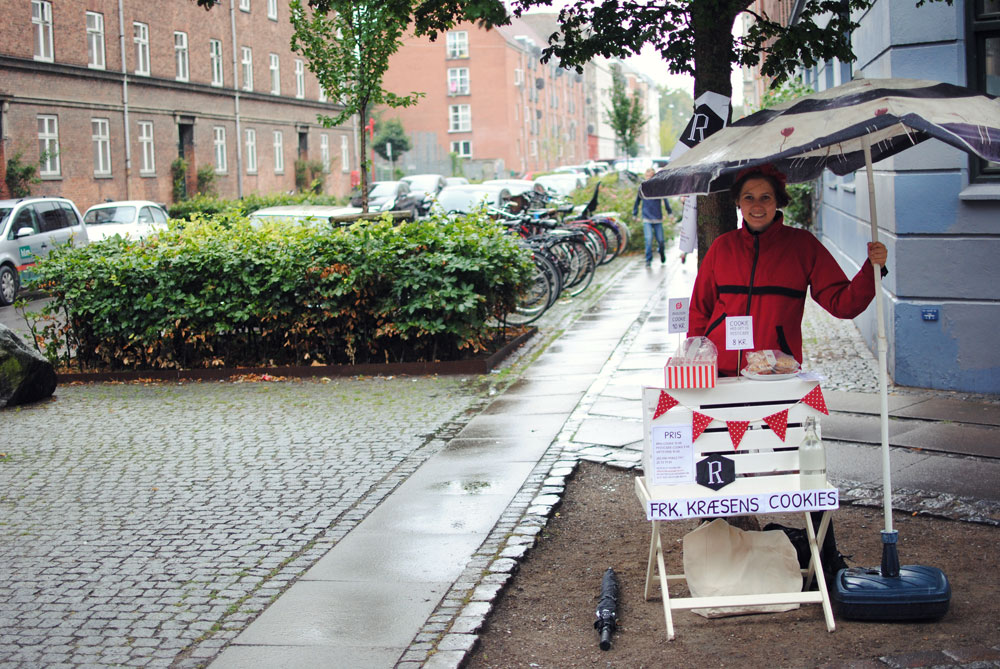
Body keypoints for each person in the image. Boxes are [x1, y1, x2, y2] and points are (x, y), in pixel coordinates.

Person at [687, 163, 888, 377]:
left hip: (777, 372)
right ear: (738, 201)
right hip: (721, 372)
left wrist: (872, 269)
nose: (757, 206)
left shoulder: (802, 245)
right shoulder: (722, 247)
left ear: (778, 201)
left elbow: (843, 304)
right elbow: (699, 310)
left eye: (765, 197)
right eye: (748, 197)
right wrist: (696, 360)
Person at [633, 168, 673, 266]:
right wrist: (635, 214)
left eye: (650, 176)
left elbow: (665, 200)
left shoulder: (658, 188)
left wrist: (669, 213)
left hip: (657, 218)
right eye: (647, 176)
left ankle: (661, 252)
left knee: (661, 240)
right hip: (647, 217)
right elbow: (637, 202)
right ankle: (648, 259)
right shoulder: (642, 188)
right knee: (648, 239)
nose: (648, 178)